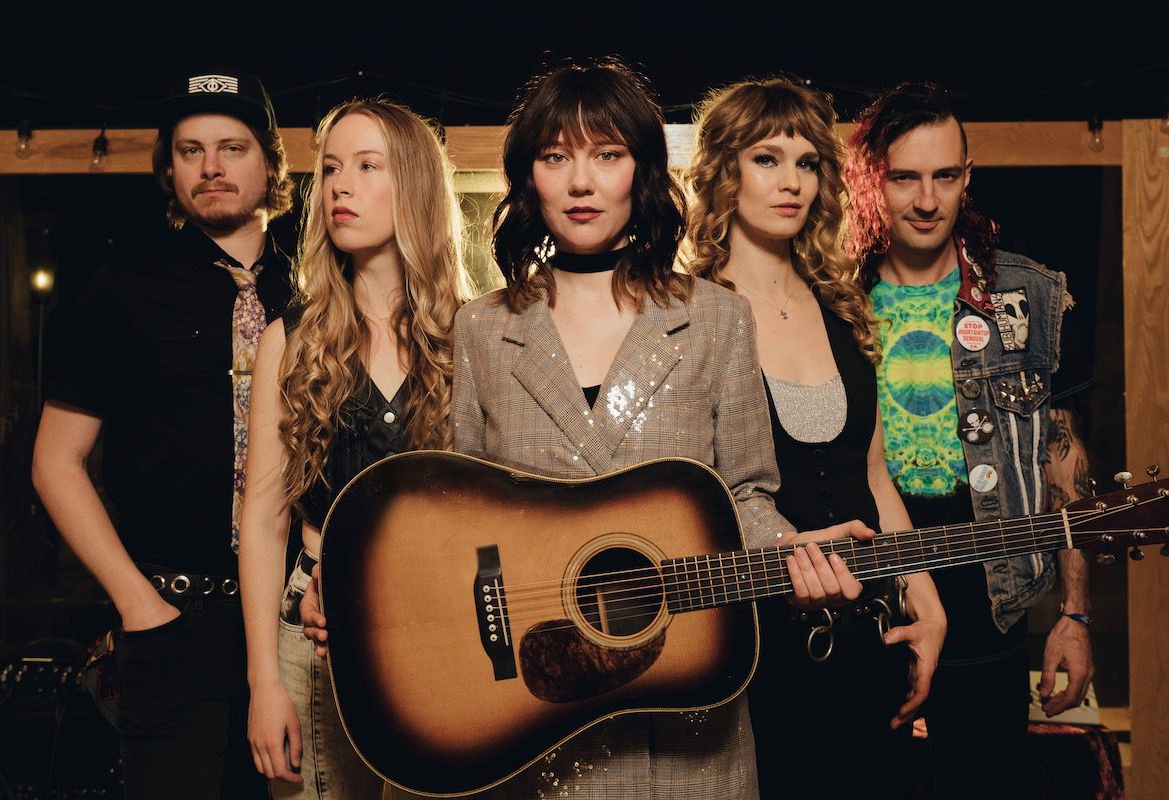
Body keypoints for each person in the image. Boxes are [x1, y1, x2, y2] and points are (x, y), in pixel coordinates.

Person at [441, 58, 881, 799]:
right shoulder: (483, 330)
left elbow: (743, 493)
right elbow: (460, 519)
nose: (581, 183)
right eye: (556, 157)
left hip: (685, 729)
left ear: (641, 171)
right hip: (533, 721)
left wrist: (791, 556)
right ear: (529, 176)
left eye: (606, 155)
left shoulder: (714, 318)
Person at [31, 69, 294, 798]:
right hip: (174, 621)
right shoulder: (119, 290)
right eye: (190, 150)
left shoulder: (312, 294)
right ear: (169, 170)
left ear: (269, 162)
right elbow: (56, 463)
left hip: (292, 622)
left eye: (232, 147)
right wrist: (137, 602)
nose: (211, 167)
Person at [683, 77, 946, 799]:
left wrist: (925, 597)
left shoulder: (842, 303)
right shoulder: (692, 317)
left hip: (869, 641)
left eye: (807, 163)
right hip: (760, 659)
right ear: (723, 170)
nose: (791, 182)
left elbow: (876, 474)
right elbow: (691, 507)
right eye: (767, 159)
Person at [844, 82, 1095, 799]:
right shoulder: (831, 298)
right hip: (871, 606)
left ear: (967, 178)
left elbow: (1062, 455)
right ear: (874, 181)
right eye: (905, 177)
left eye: (945, 176)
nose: (927, 199)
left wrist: (1074, 615)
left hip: (993, 606)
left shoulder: (1024, 296)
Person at [238, 99, 469, 798]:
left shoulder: (476, 333)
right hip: (316, 627)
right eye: (331, 168)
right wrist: (263, 682)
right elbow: (263, 520)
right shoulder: (292, 337)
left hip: (443, 618)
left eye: (368, 166)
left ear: (416, 187)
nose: (339, 185)